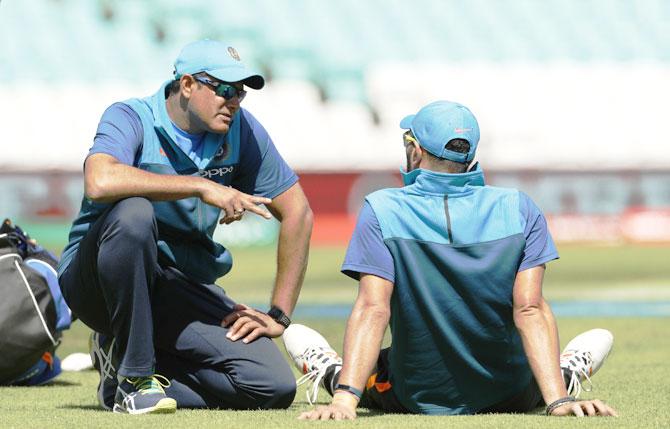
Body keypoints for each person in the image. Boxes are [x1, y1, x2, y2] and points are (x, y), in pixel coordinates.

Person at [282, 100, 618, 419]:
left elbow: (374, 307)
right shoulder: (520, 207)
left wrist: (343, 400)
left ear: (415, 149)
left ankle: (328, 371)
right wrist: (558, 401)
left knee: (372, 377)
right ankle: (566, 375)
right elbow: (529, 308)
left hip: (414, 394)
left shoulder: (381, 209)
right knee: (530, 375)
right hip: (511, 392)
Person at [57, 39, 312, 414]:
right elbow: (100, 181)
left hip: (176, 285)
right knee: (134, 214)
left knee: (271, 387)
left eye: (241, 91)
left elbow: (299, 214)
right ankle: (134, 379)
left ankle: (122, 371)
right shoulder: (131, 116)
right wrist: (203, 185)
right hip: (98, 282)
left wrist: (279, 314)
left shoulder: (241, 129)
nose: (235, 100)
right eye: (225, 89)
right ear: (188, 85)